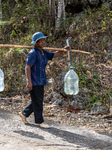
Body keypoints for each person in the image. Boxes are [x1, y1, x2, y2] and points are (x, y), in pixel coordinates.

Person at [19, 32, 69, 128]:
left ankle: (24, 114)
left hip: (41, 80)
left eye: (43, 40)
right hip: (34, 81)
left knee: (37, 100)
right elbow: (27, 68)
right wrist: (29, 81)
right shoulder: (33, 53)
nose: (43, 42)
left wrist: (62, 50)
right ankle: (40, 121)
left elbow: (54, 55)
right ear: (36, 42)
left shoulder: (43, 52)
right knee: (38, 101)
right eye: (40, 41)